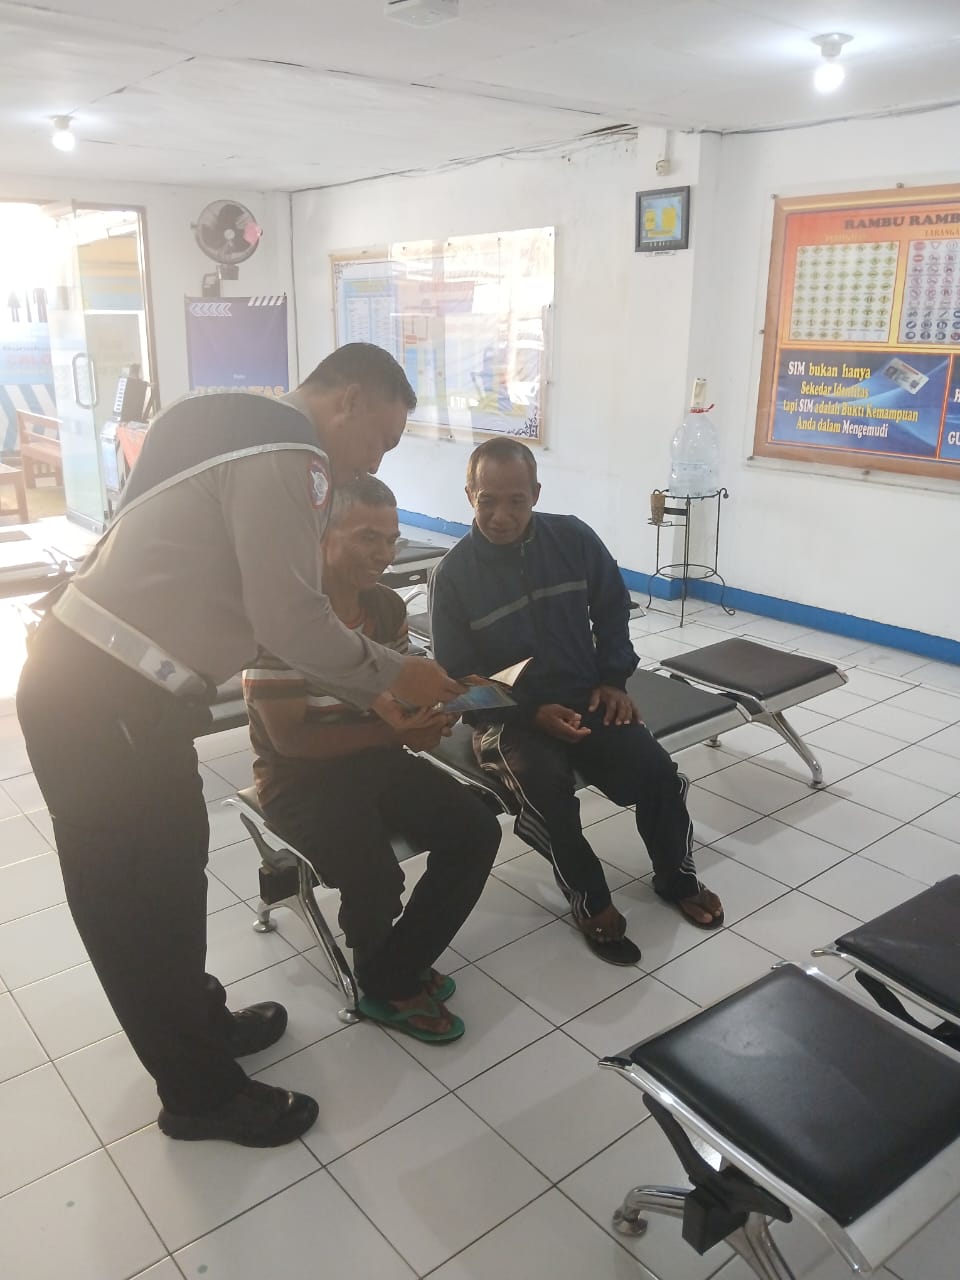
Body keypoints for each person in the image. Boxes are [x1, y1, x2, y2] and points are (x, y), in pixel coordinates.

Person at [16, 343, 465, 1147]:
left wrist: (377, 697)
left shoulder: (220, 414)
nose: (377, 460)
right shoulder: (290, 450)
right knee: (138, 901)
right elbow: (290, 620)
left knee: (172, 874)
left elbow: (244, 602)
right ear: (350, 400)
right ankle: (198, 1096)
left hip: (120, 689)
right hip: (103, 693)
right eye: (384, 439)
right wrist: (401, 673)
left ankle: (200, 1023)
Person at [430, 438, 723, 966]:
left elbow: (612, 609)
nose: (501, 515)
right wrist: (530, 712)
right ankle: (590, 900)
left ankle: (676, 878)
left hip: (586, 695)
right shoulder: (453, 575)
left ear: (536, 493)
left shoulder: (572, 538)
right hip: (507, 718)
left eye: (516, 500)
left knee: (659, 775)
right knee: (549, 797)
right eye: (487, 501)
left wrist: (613, 680)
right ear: (469, 494)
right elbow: (458, 681)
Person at [243, 475, 499, 1042]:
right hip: (298, 780)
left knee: (477, 831)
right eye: (367, 538)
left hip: (374, 759)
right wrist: (394, 733)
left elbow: (397, 697)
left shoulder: (383, 607)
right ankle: (385, 981)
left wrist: (434, 713)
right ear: (320, 534)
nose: (383, 554)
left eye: (390, 540)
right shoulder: (282, 620)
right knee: (375, 876)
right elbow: (291, 743)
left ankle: (393, 967)